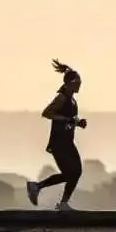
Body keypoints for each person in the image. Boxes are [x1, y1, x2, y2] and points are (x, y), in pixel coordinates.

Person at [25, 59, 87, 211]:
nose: (80, 85)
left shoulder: (72, 100)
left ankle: (39, 188)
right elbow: (47, 113)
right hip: (59, 143)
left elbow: (69, 119)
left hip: (67, 141)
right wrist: (68, 119)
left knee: (73, 173)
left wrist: (78, 123)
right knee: (72, 173)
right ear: (70, 83)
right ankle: (61, 202)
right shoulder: (62, 98)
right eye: (78, 82)